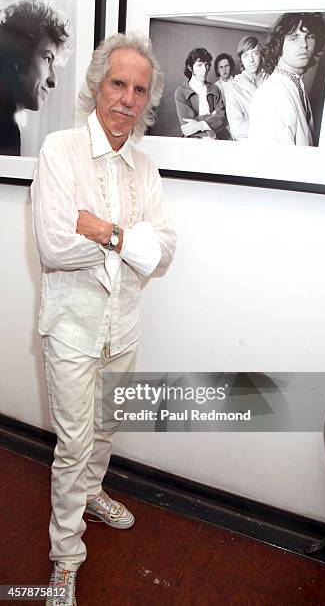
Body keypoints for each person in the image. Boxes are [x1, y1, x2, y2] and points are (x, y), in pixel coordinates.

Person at [32, 32, 176, 606]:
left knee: (106, 426)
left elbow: (163, 252)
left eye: (140, 90)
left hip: (124, 324)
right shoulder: (60, 152)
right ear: (97, 86)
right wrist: (131, 244)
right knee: (73, 442)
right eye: (119, 83)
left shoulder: (145, 167)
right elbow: (53, 247)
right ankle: (65, 556)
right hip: (71, 325)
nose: (128, 98)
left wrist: (106, 231)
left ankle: (92, 493)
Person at [0, 0, 70, 155]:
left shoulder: (8, 125)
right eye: (47, 59)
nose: (54, 81)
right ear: (18, 54)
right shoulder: (5, 129)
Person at [249, 12, 325, 145]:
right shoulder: (271, 96)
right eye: (294, 38)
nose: (304, 44)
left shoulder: (295, 83)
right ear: (279, 45)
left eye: (309, 36)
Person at [174, 47, 228, 139]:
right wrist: (212, 117)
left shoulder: (215, 88)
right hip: (193, 142)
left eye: (206, 65)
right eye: (199, 65)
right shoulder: (181, 92)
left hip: (216, 140)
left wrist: (199, 124)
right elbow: (188, 127)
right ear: (190, 67)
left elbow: (222, 118)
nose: (204, 70)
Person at [225, 36, 267, 140]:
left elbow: (282, 118)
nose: (251, 60)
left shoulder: (272, 80)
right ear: (241, 60)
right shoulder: (233, 87)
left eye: (255, 53)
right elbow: (238, 130)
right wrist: (271, 124)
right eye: (245, 56)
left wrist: (252, 89)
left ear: (261, 55)